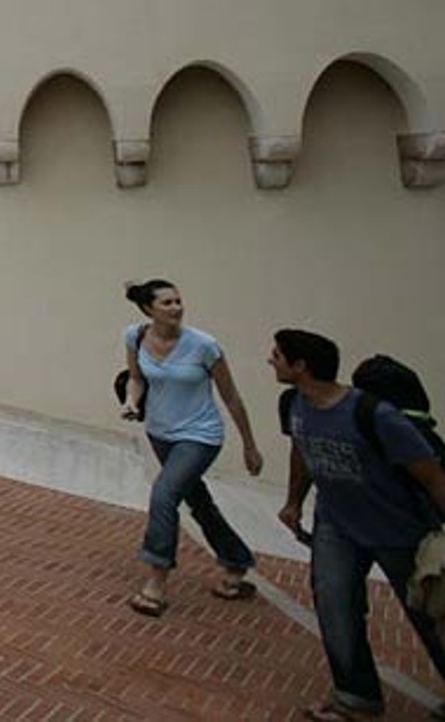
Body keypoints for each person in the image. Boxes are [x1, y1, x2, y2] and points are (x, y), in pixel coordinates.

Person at [272, 329, 445, 722]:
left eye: (278, 356)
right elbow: (300, 449)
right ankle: (356, 697)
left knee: (430, 616)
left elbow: (432, 476)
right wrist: (294, 501)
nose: (271, 361)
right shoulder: (294, 403)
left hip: (398, 532)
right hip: (336, 526)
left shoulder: (374, 415)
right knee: (334, 603)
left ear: (301, 366)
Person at [118, 277, 264, 617]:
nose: (176, 308)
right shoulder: (135, 336)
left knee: (164, 494)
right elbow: (137, 377)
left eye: (178, 301)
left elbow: (231, 396)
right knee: (197, 501)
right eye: (167, 303)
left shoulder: (204, 346)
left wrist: (249, 446)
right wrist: (131, 401)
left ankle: (156, 582)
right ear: (148, 309)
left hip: (200, 435)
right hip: (160, 432)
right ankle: (236, 561)